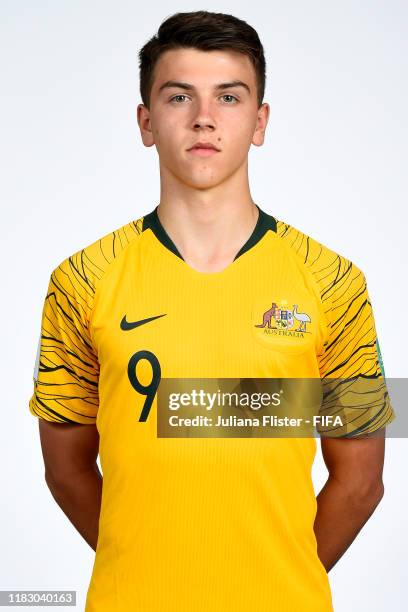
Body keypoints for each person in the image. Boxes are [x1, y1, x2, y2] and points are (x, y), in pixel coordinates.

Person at [28, 10, 396, 612]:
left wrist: (276, 576)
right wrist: (146, 568)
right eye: (179, 96)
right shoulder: (82, 280)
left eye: (229, 96)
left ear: (260, 121)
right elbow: (65, 470)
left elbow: (361, 481)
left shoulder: (333, 282)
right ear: (146, 122)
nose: (204, 117)